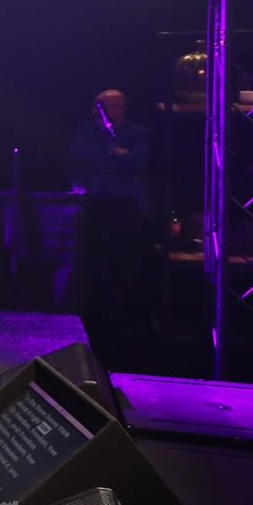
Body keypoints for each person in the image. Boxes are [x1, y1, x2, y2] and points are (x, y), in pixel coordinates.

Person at [66, 88, 155, 352]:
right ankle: (89, 319)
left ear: (120, 108)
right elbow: (76, 154)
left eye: (105, 106)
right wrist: (112, 151)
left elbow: (137, 163)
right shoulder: (84, 130)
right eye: (96, 105)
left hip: (126, 207)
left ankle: (131, 322)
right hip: (92, 205)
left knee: (122, 261)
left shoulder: (138, 133)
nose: (99, 111)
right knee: (89, 261)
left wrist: (101, 158)